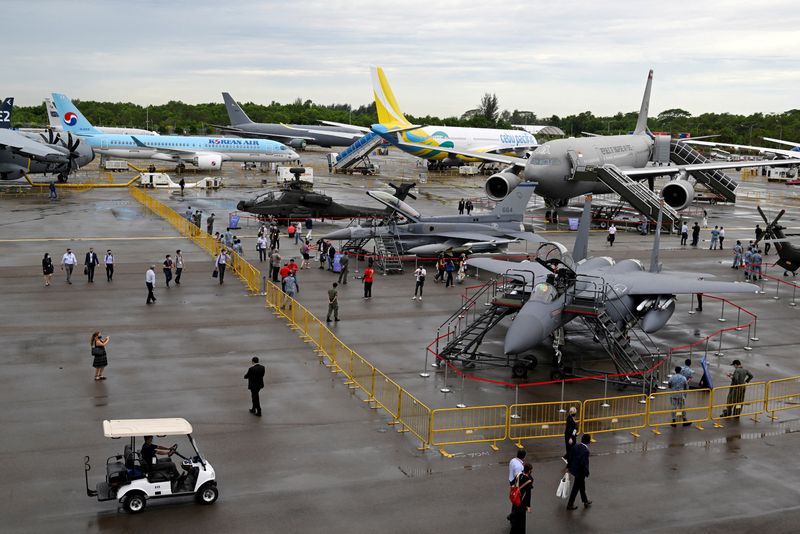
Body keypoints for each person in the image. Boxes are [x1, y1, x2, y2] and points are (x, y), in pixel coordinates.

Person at [566, 434, 592, 510]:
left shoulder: (576, 446)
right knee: (576, 488)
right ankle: (570, 504)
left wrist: (568, 467)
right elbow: (584, 463)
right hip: (580, 472)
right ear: (588, 441)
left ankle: (585, 501)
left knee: (582, 486)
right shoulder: (585, 451)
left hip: (575, 470)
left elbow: (570, 457)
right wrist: (586, 472)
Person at [509, 463, 533, 534]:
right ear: (529, 471)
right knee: (521, 519)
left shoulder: (518, 475)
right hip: (522, 501)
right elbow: (528, 494)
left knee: (516, 516)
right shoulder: (529, 480)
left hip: (516, 498)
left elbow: (514, 484)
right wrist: (528, 506)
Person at [506, 449, 526, 522]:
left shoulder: (513, 460)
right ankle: (512, 516)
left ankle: (513, 515)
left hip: (511, 480)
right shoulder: (519, 466)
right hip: (515, 483)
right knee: (517, 501)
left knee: (515, 501)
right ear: (524, 456)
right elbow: (518, 477)